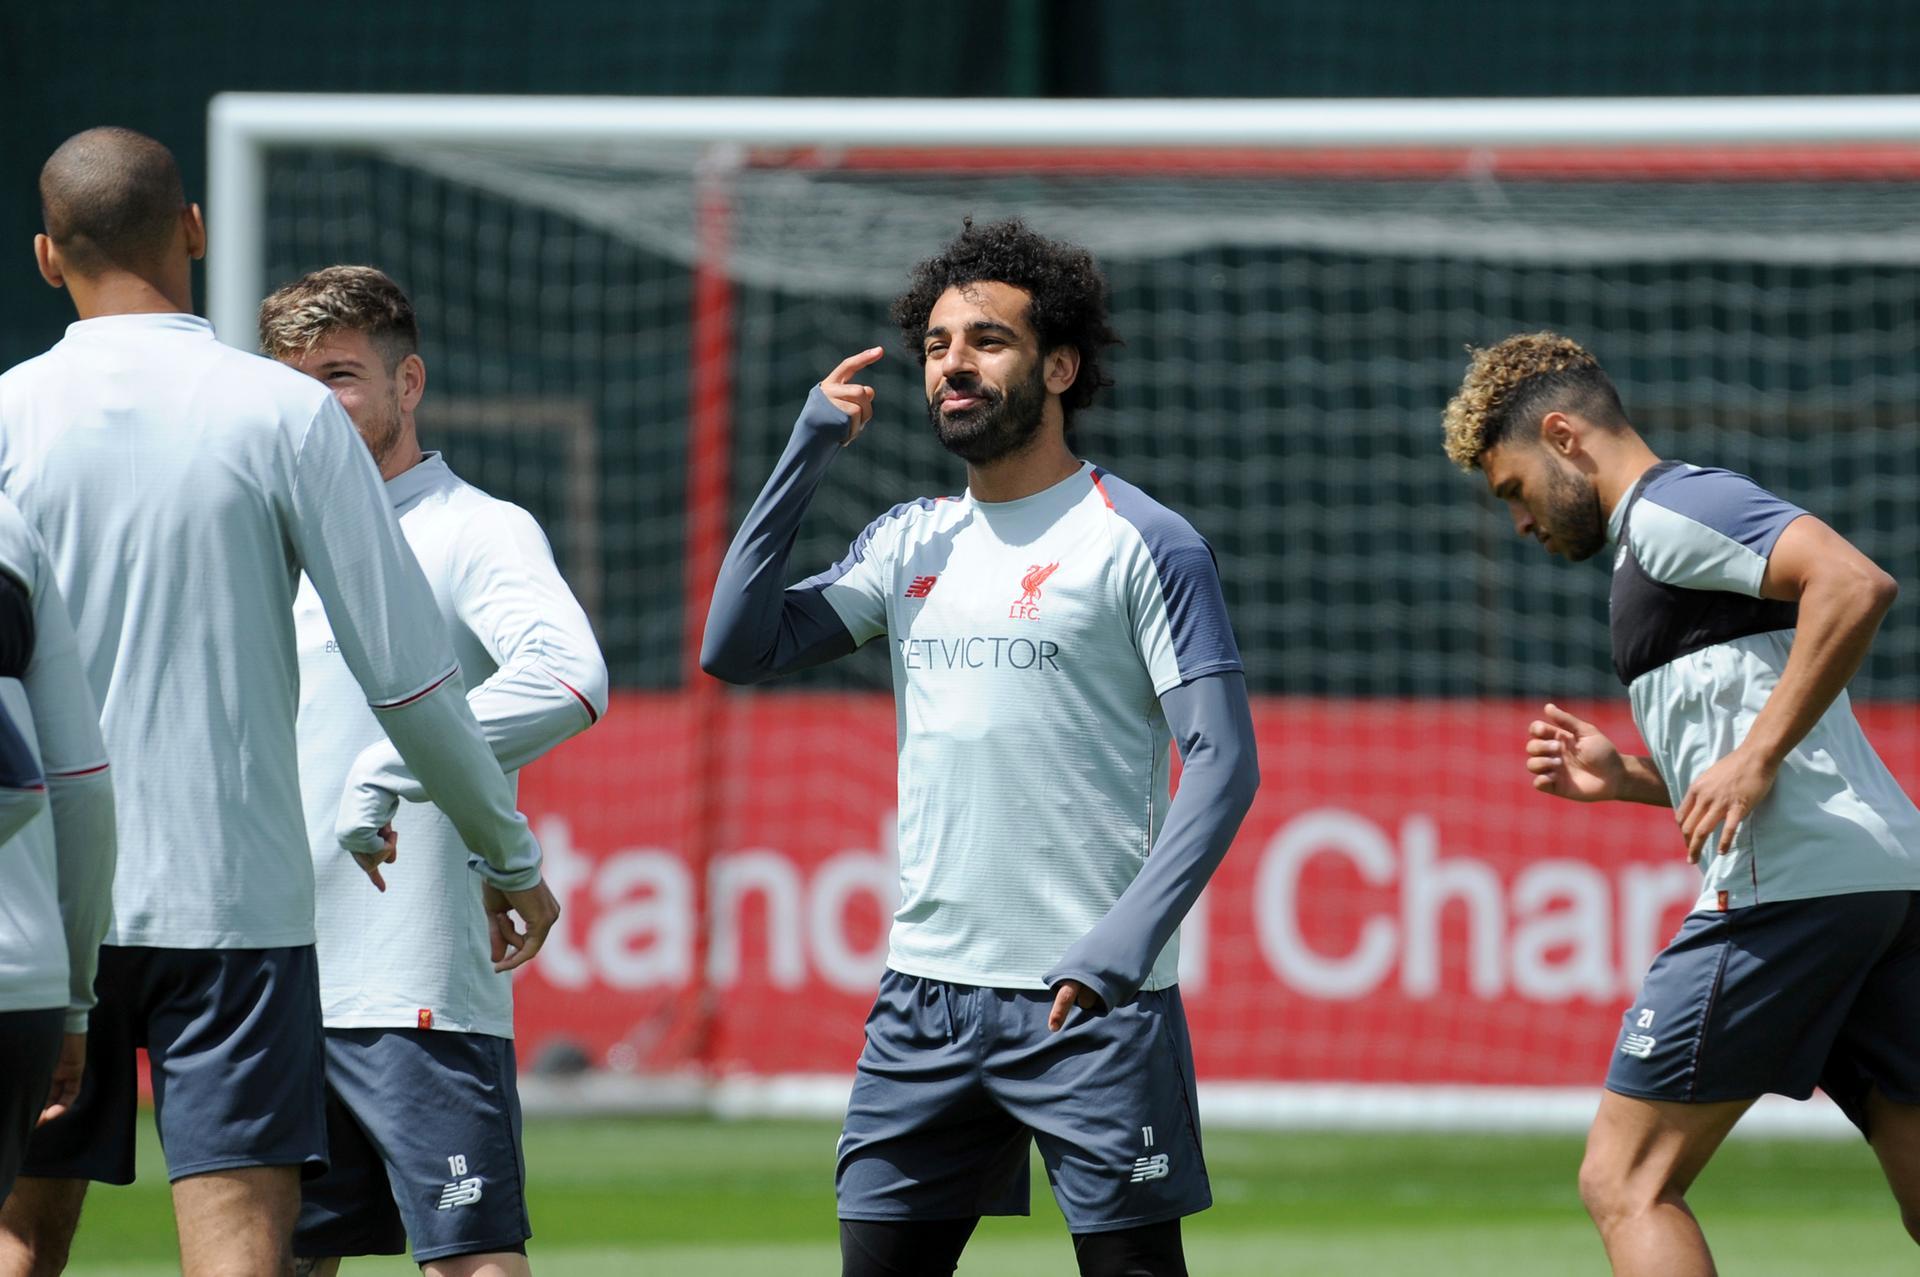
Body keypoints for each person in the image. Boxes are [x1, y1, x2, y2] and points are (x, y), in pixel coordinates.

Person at [0, 127, 555, 1277]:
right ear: (193, 231)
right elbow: (412, 682)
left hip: (44, 902)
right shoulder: (288, 416)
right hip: (234, 911)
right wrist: (506, 854)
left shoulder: (5, 418)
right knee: (244, 1250)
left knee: (18, 1237)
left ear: (48, 257)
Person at [702, 218, 1261, 1277]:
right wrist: (806, 446)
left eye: (987, 340)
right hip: (923, 1003)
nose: (953, 362)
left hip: (1088, 1002)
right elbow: (735, 643)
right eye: (935, 345)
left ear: (1059, 366)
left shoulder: (1142, 540)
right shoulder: (909, 540)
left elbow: (1224, 765)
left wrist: (1119, 946)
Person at [1442, 331, 1920, 1276]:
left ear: (1564, 436)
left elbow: (1855, 582)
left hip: (1788, 893)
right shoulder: (1657, 546)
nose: (1522, 524)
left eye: (1514, 491)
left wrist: (1754, 753)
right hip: (1881, 883)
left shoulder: (1671, 510)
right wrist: (1629, 776)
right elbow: (1749, 752)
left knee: (1625, 1179)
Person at [259, 265, 604, 1277]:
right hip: (268, 983)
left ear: (409, 383)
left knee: (472, 1262)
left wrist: (391, 763)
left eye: (340, 375)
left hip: (411, 986)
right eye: (292, 383)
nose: (314, 405)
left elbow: (570, 675)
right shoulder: (261, 538)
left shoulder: (471, 528)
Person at [0, 492, 116, 1207]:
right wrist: (74, 1000)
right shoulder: (12, 525)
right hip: (24, 981)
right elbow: (81, 789)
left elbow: (21, 787)